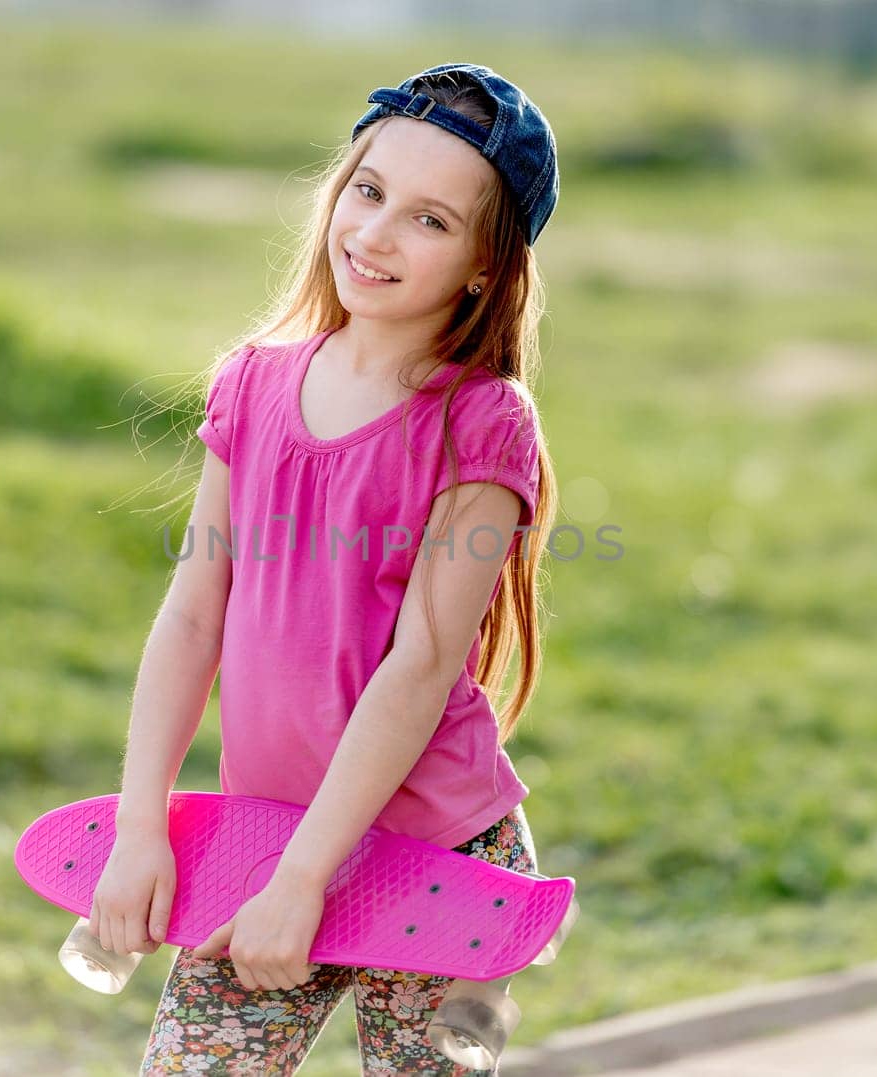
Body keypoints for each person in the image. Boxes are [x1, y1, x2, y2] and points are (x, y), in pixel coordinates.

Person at [91, 61, 563, 1075]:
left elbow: (422, 664)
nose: (377, 234)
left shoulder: (480, 424)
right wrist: (142, 827)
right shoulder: (253, 385)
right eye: (369, 191)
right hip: (262, 841)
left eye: (431, 222)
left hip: (431, 852)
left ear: (486, 264)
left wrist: (308, 878)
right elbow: (191, 616)